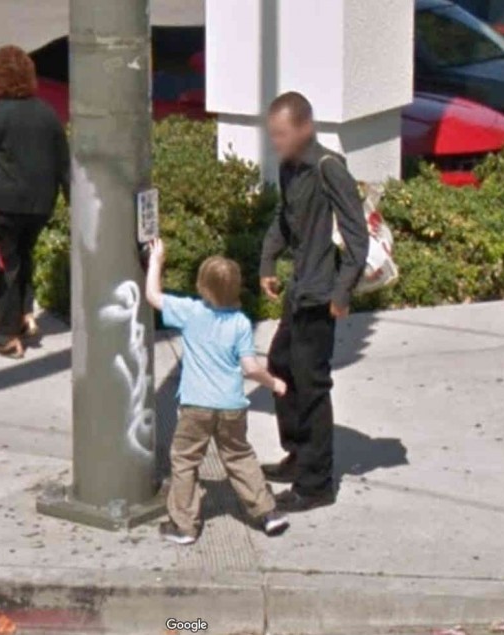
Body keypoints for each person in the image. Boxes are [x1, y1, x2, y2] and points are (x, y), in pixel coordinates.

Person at [258, 92, 370, 513]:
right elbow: (285, 219)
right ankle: (297, 454)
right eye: (273, 135)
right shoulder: (290, 168)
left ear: (305, 128)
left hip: (321, 296)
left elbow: (357, 238)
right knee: (280, 365)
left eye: (282, 134)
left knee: (312, 386)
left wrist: (342, 293)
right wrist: (268, 260)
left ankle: (317, 483)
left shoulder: (329, 170)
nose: (277, 143)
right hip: (299, 289)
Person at [145, 238, 291, 545]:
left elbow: (153, 296)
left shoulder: (190, 312)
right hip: (232, 407)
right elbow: (250, 368)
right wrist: (273, 382)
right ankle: (268, 513)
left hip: (196, 406)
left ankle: (184, 526)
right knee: (239, 456)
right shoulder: (240, 323)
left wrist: (156, 262)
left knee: (185, 461)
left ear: (201, 286)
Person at [0, 45, 70, 359]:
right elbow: (64, 164)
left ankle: (8, 335)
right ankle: (25, 315)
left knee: (3, 266)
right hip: (39, 206)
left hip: (2, 205)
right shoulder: (48, 113)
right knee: (22, 257)